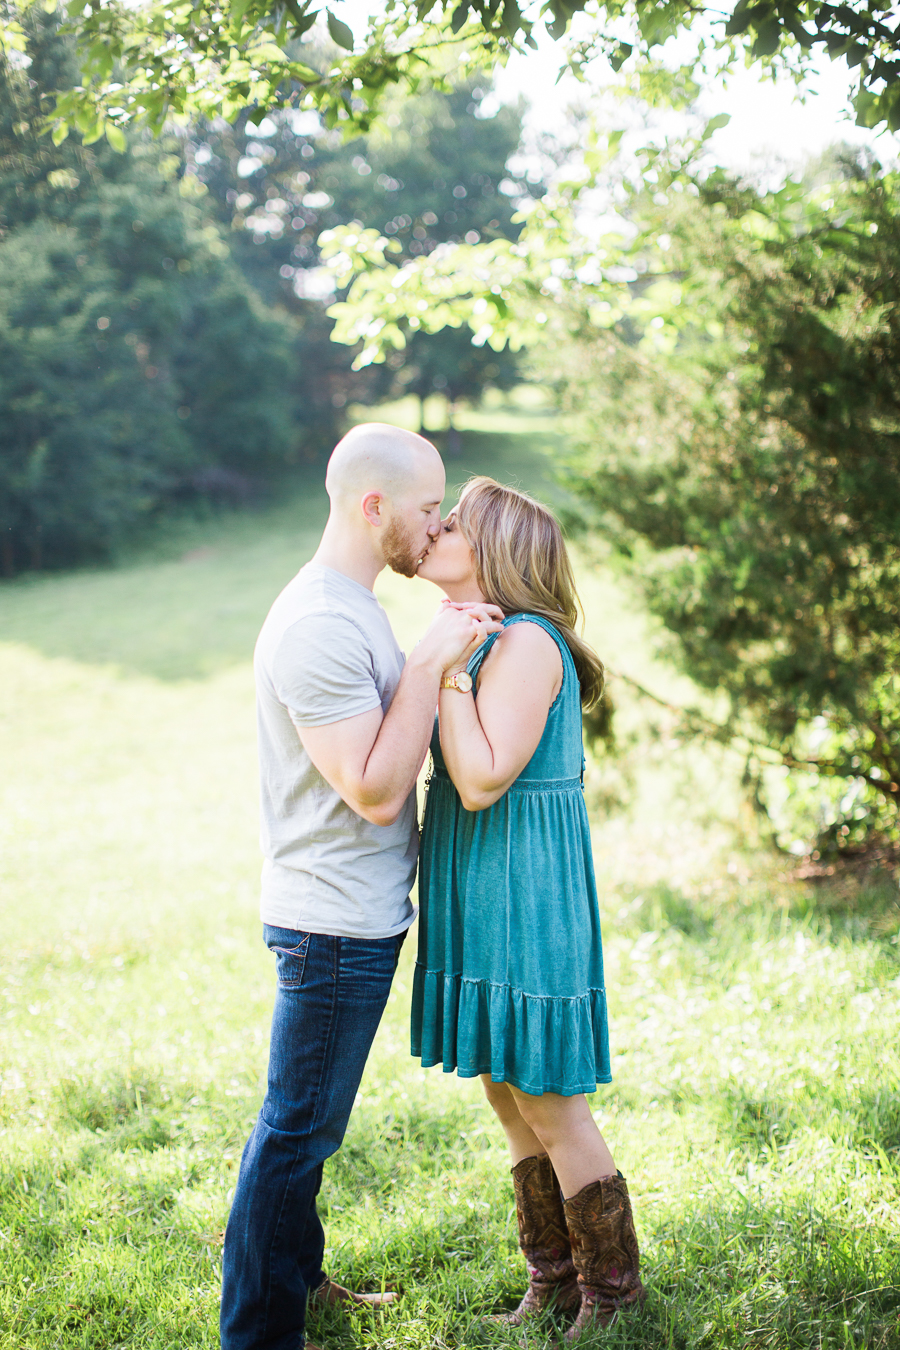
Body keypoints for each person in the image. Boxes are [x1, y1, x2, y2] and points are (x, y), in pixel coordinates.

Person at [220, 425, 502, 1350]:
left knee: (307, 1129)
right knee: (295, 1132)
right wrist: (429, 664)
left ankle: (299, 1280)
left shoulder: (354, 605)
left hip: (354, 915)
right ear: (372, 506)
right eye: (427, 508)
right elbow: (376, 791)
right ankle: (260, 1332)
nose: (437, 527)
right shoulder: (318, 625)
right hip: (329, 923)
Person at [411, 477, 646, 1339]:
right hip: (482, 880)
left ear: (496, 550)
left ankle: (615, 1297)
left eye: (456, 523)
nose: (434, 529)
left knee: (549, 1096)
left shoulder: (529, 644)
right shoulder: (483, 642)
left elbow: (479, 780)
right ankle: (552, 1277)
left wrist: (441, 675)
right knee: (507, 1089)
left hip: (525, 882)